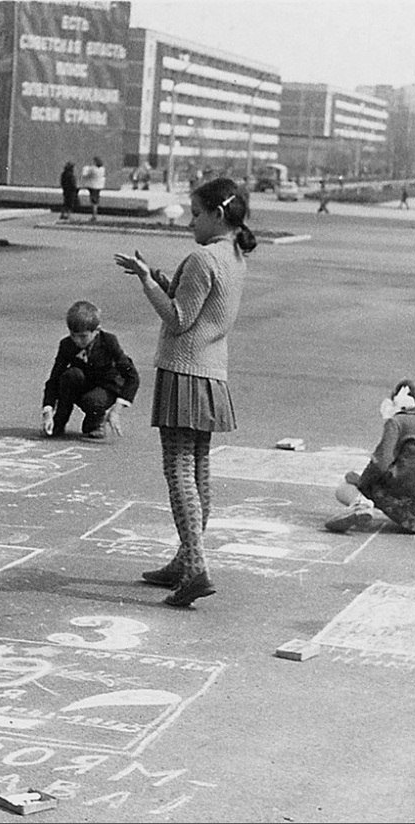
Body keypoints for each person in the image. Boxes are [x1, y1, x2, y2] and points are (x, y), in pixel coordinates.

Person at [112, 177, 255, 608]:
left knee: (178, 471)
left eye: (195, 214)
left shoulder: (202, 257)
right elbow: (203, 302)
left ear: (216, 214)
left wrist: (147, 285)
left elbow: (178, 318)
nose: (191, 222)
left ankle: (195, 566)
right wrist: (156, 274)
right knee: (199, 470)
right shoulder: (235, 254)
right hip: (212, 373)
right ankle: (184, 559)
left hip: (183, 371)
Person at [325, 380, 415, 535]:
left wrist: (361, 484)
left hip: (408, 508)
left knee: (345, 486)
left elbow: (380, 463)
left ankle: (360, 504)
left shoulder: (398, 421)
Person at [40, 300, 140, 440]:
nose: (77, 341)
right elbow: (54, 379)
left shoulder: (109, 342)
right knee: (70, 375)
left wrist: (116, 410)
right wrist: (48, 410)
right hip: (84, 384)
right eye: (73, 335)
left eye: (83, 336)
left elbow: (132, 376)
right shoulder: (66, 345)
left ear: (96, 331)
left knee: (93, 401)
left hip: (106, 387)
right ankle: (59, 421)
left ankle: (95, 422)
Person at [81, 156, 106, 222]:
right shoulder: (102, 169)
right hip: (99, 186)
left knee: (93, 201)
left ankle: (94, 215)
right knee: (96, 200)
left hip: (93, 186)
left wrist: (86, 169)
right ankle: (94, 214)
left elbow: (85, 175)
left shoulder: (93, 169)